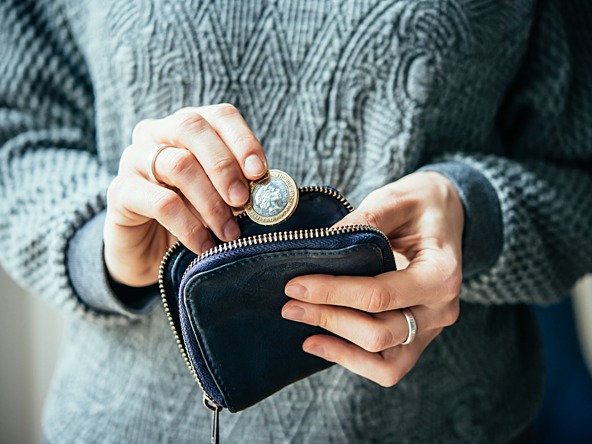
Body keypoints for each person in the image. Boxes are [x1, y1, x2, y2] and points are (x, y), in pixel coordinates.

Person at [1, 0, 591, 442]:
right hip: (122, 424)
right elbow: (14, 130)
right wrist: (98, 250)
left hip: (442, 423)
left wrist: (473, 212)